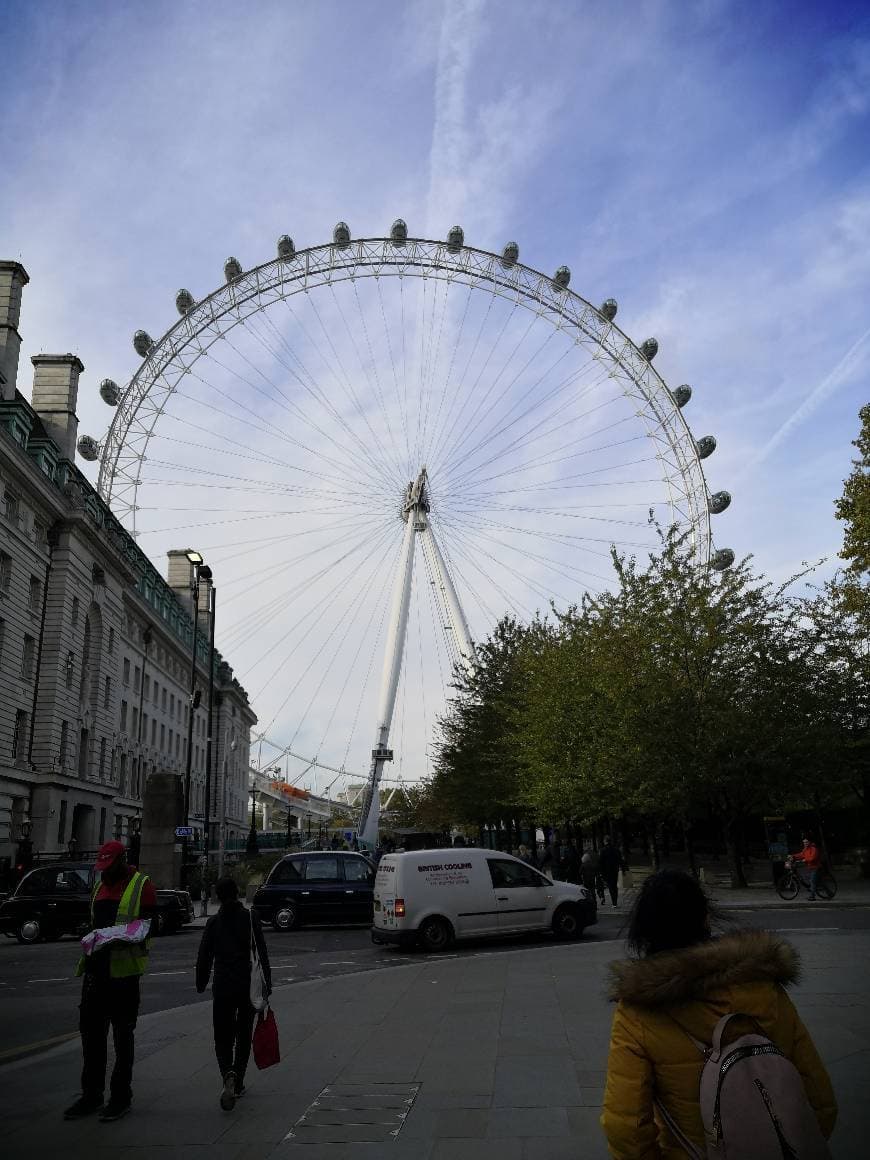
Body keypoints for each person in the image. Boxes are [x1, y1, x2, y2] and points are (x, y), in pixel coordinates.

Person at [601, 870, 837, 1159]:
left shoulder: (637, 1013)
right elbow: (820, 1099)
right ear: (706, 919)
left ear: (644, 933)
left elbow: (626, 1127)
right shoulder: (764, 987)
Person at [64, 839, 157, 1122]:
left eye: (110, 865)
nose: (105, 871)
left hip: (124, 976)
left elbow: (150, 925)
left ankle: (120, 1097)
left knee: (122, 1038)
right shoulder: (98, 887)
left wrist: (124, 936)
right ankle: (91, 1095)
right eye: (102, 866)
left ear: (122, 860)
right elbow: (94, 922)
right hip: (95, 974)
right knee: (92, 1038)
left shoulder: (142, 885)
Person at [196, 876, 272, 1111]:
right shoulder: (250, 917)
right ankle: (237, 1080)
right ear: (237, 892)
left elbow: (204, 957)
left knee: (222, 1036)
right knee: (243, 1033)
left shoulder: (214, 923)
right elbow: (261, 951)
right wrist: (267, 983)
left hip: (222, 986)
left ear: (218, 896)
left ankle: (226, 1072)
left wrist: (201, 982)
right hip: (246, 985)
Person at [792, 834, 823, 900]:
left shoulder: (813, 849)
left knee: (812, 881)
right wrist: (793, 856)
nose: (805, 843)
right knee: (809, 879)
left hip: (816, 867)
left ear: (809, 842)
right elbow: (801, 854)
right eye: (804, 842)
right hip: (810, 867)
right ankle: (813, 888)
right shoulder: (805, 849)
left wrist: (805, 859)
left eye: (806, 842)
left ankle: (812, 896)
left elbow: (812, 858)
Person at [599, 835, 626, 906]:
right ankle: (615, 902)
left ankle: (611, 901)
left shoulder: (603, 850)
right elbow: (620, 860)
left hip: (606, 871)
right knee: (614, 886)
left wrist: (600, 872)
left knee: (609, 886)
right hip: (614, 870)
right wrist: (623, 870)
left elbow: (600, 862)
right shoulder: (616, 849)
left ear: (605, 841)